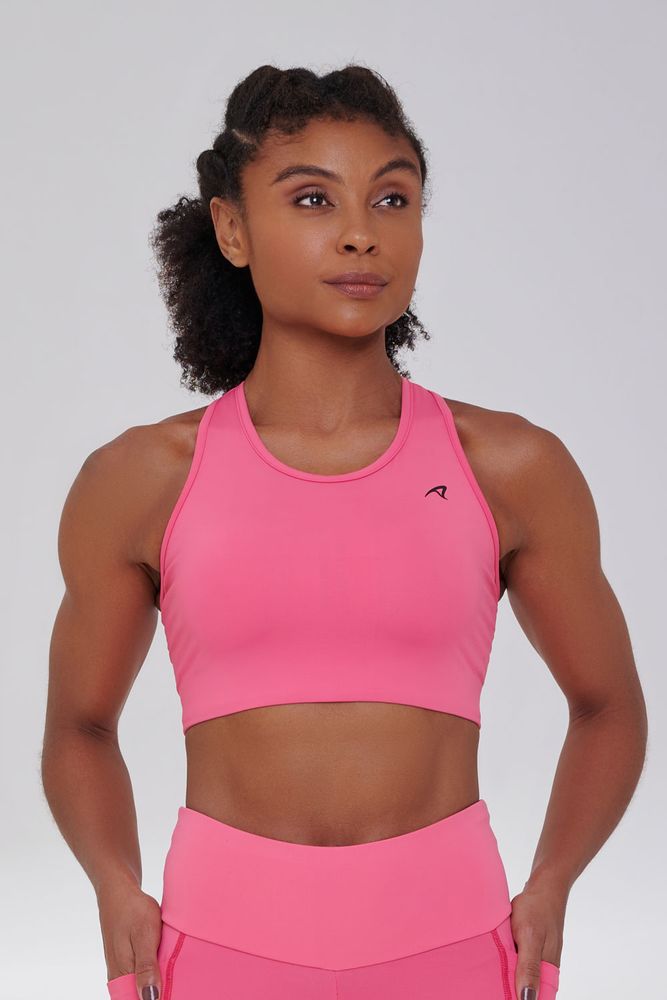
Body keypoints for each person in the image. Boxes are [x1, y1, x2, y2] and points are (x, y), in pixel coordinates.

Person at [41, 63, 648, 1000]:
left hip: (455, 946)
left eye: (392, 198)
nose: (362, 232)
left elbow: (608, 705)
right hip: (215, 951)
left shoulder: (510, 468)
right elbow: (80, 726)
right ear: (232, 229)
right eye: (313, 198)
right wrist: (114, 886)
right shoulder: (139, 480)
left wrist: (553, 882)